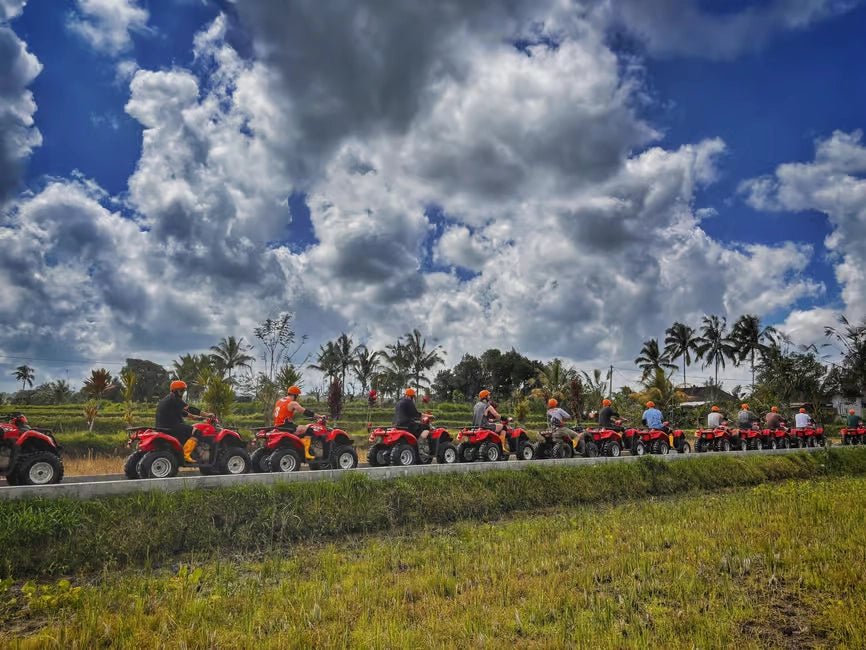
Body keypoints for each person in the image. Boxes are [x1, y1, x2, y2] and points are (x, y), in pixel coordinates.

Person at [155, 380, 213, 462]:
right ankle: (186, 455)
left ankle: (190, 452)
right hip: (172, 426)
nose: (182, 393)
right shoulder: (175, 398)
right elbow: (190, 409)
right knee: (197, 432)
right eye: (181, 390)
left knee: (187, 431)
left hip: (163, 426)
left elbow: (184, 413)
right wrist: (207, 414)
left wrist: (198, 418)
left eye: (184, 390)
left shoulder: (168, 399)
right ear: (175, 391)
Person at [272, 385, 323, 460]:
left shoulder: (279, 401)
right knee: (309, 430)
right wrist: (319, 416)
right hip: (286, 426)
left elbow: (281, 413)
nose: (298, 397)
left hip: (277, 426)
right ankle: (306, 453)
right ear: (295, 395)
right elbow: (305, 412)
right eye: (298, 395)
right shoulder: (292, 403)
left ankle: (299, 447)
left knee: (299, 428)